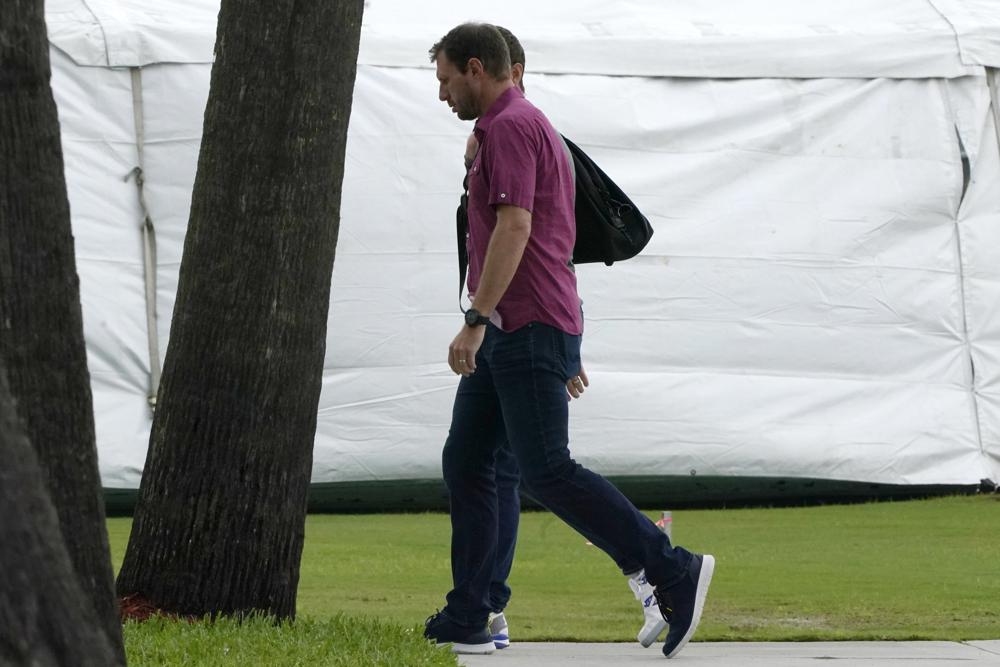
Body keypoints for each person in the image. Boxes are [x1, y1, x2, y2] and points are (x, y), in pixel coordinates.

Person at [422, 23, 715, 658]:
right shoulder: (508, 131)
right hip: (518, 328)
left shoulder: (512, 126)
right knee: (470, 462)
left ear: (476, 69)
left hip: (523, 324)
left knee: (546, 469)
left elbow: (517, 227)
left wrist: (476, 317)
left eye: (445, 79)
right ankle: (471, 612)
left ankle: (671, 569)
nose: (441, 93)